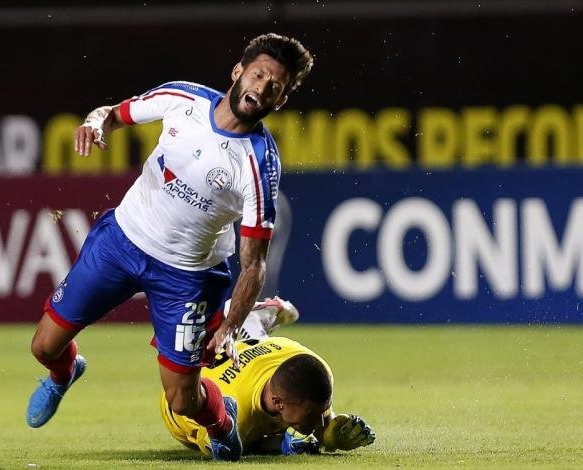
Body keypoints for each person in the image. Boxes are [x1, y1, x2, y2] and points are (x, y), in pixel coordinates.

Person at [26, 33, 313, 461]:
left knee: (182, 399)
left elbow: (253, 266)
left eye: (276, 85)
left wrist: (228, 328)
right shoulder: (183, 99)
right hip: (122, 241)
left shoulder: (258, 166)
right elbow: (112, 114)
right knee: (43, 347)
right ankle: (65, 372)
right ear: (239, 71)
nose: (262, 88)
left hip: (188, 276)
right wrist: (93, 123)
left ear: (282, 99)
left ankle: (223, 422)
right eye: (258, 75)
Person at [160, 305, 376, 457]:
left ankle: (252, 321)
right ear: (278, 402)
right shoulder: (238, 412)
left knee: (295, 427)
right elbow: (220, 449)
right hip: (183, 404)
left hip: (262, 352)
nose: (320, 421)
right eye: (313, 415)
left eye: (322, 412)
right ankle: (248, 320)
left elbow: (316, 412)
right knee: (237, 447)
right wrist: (278, 445)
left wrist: (330, 434)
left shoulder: (316, 369)